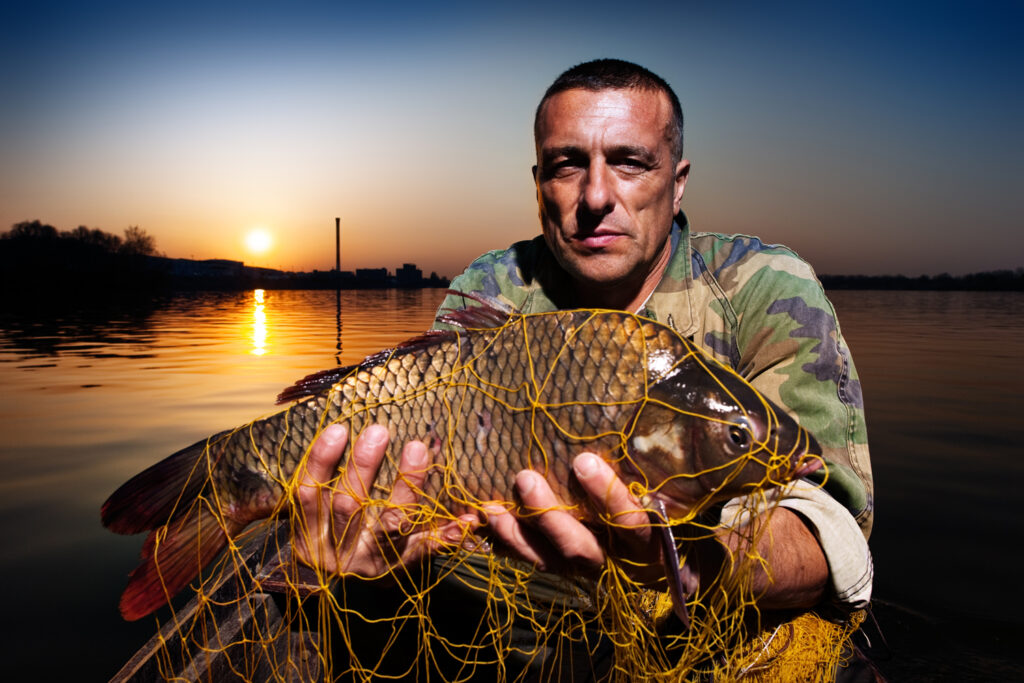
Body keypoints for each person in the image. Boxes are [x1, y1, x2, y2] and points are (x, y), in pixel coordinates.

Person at [292, 59, 874, 680]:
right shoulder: (494, 288)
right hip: (526, 630)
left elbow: (832, 530)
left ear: (677, 183)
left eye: (630, 162)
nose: (596, 197)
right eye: (568, 164)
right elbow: (428, 487)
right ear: (539, 181)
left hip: (707, 631)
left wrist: (684, 565)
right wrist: (382, 539)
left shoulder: (762, 287)